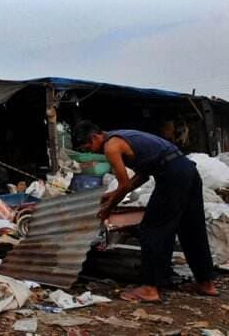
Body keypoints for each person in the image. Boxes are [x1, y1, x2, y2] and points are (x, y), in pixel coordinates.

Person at [74, 121, 218, 302]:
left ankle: (150, 288)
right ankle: (206, 283)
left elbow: (124, 184)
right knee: (191, 228)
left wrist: (107, 209)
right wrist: (111, 194)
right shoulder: (123, 135)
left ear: (95, 137)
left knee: (152, 229)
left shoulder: (111, 146)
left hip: (172, 175)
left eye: (87, 145)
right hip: (187, 170)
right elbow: (142, 176)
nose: (89, 151)